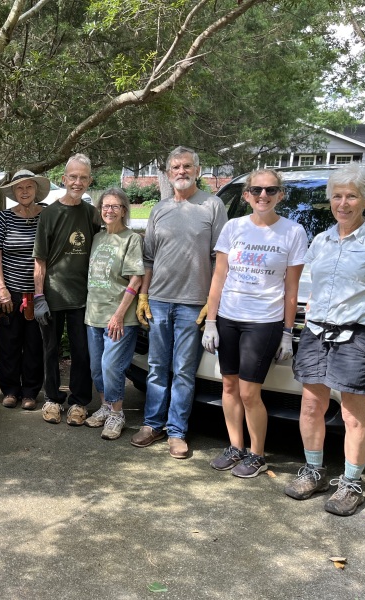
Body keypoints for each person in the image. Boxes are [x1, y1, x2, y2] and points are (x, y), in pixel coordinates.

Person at [284, 164, 365, 516]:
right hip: (317, 332)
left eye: (351, 196)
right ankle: (314, 471)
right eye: (337, 196)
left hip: (357, 336)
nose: (343, 203)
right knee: (310, 406)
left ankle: (351, 484)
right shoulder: (321, 240)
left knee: (352, 414)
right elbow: (314, 289)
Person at [202, 170, 307, 477]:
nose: (263, 195)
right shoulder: (233, 227)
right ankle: (235, 447)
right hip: (228, 317)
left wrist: (287, 333)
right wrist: (211, 321)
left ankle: (257, 454)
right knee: (229, 386)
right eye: (257, 190)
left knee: (249, 392)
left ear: (280, 195)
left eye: (271, 190)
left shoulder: (292, 232)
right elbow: (219, 276)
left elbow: (291, 289)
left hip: (264, 321)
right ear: (246, 194)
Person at [133, 146, 227, 458]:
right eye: (175, 167)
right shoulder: (160, 209)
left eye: (187, 166)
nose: (181, 171)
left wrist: (212, 303)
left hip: (193, 304)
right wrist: (144, 295)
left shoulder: (212, 206)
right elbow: (148, 258)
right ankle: (153, 424)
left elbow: (220, 259)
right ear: (168, 173)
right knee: (157, 367)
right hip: (159, 300)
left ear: (197, 170)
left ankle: (176, 431)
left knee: (184, 371)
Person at [33, 153, 100, 426]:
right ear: (64, 178)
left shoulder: (92, 214)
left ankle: (79, 402)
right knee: (50, 350)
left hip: (83, 297)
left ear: (89, 181)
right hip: (52, 296)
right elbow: (40, 260)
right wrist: (39, 297)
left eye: (83, 177)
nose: (77, 182)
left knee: (82, 351)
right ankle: (52, 399)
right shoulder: (49, 214)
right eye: (73, 177)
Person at [83, 189, 144, 440]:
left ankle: (117, 413)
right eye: (105, 206)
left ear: (124, 210)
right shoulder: (98, 238)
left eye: (115, 206)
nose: (109, 211)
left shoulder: (132, 239)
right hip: (93, 314)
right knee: (97, 368)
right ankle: (106, 407)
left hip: (119, 317)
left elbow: (136, 279)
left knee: (112, 367)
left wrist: (119, 315)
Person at [0, 170, 48, 410]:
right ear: (14, 192)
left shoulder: (46, 215)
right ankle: (10, 390)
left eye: (29, 187)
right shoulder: (4, 218)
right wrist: (1, 288)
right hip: (10, 291)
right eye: (19, 188)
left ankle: (30, 393)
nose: (24, 192)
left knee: (35, 343)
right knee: (9, 342)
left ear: (36, 190)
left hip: (38, 292)